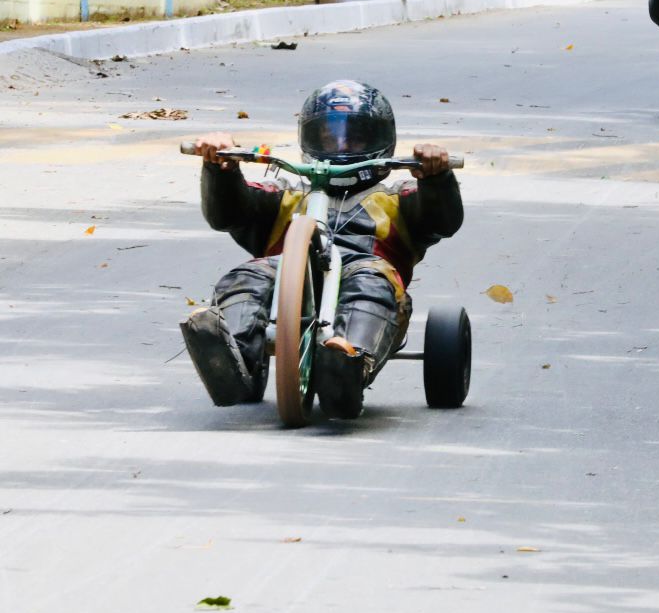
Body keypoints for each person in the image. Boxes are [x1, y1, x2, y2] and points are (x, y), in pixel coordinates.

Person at [180, 80, 464, 420]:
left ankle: (347, 364)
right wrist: (221, 168)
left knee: (370, 284)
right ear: (311, 139)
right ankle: (232, 358)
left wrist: (435, 178)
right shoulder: (285, 192)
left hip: (367, 272)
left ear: (379, 139)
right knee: (247, 276)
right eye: (329, 137)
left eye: (355, 136)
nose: (341, 145)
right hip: (285, 273)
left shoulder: (398, 196)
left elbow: (442, 220)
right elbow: (229, 213)